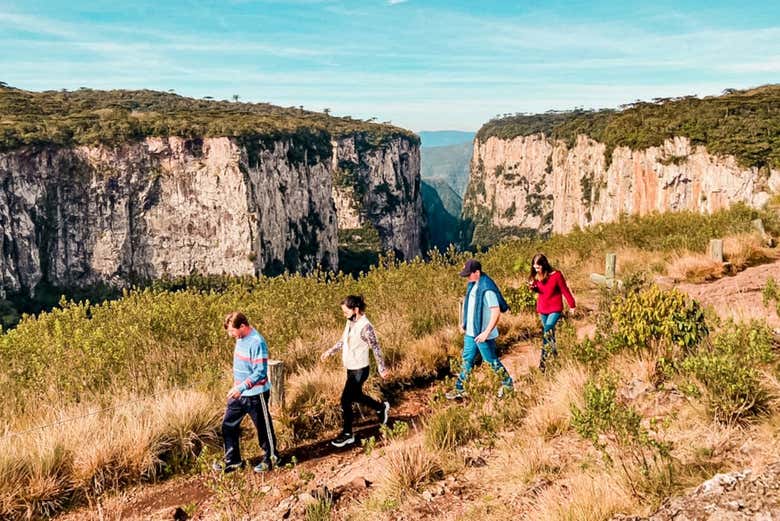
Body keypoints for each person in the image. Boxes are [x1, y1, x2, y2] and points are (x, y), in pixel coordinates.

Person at [321, 295, 391, 448]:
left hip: (360, 370)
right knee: (356, 395)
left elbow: (376, 348)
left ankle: (348, 434)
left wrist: (382, 368)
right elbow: (343, 341)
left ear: (356, 310)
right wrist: (330, 351)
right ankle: (380, 408)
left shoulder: (366, 327)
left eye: (346, 311)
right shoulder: (350, 322)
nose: (344, 314)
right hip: (351, 369)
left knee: (345, 400)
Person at [213, 311, 278, 473]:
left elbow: (260, 372)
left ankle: (271, 458)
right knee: (228, 425)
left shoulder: (257, 342)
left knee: (263, 428)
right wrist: (237, 387)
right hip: (239, 394)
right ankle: (233, 460)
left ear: (242, 326)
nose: (230, 335)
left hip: (256, 394)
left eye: (232, 331)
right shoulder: (240, 338)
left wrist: (241, 387)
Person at [446, 259, 514, 400]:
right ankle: (460, 388)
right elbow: (470, 307)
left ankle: (508, 385)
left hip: (483, 334)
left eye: (469, 274)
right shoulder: (473, 285)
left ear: (477, 272)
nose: (467, 278)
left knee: (491, 360)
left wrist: (486, 333)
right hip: (471, 332)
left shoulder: (487, 289)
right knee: (467, 360)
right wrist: (464, 324)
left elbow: (496, 312)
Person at [528, 253, 576, 372]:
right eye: (534, 266)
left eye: (538, 267)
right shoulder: (536, 276)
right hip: (542, 309)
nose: (535, 269)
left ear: (544, 265)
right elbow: (541, 291)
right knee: (550, 335)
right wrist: (533, 288)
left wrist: (572, 305)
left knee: (547, 331)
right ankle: (555, 357)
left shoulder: (556, 275)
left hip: (555, 308)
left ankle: (543, 363)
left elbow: (564, 289)